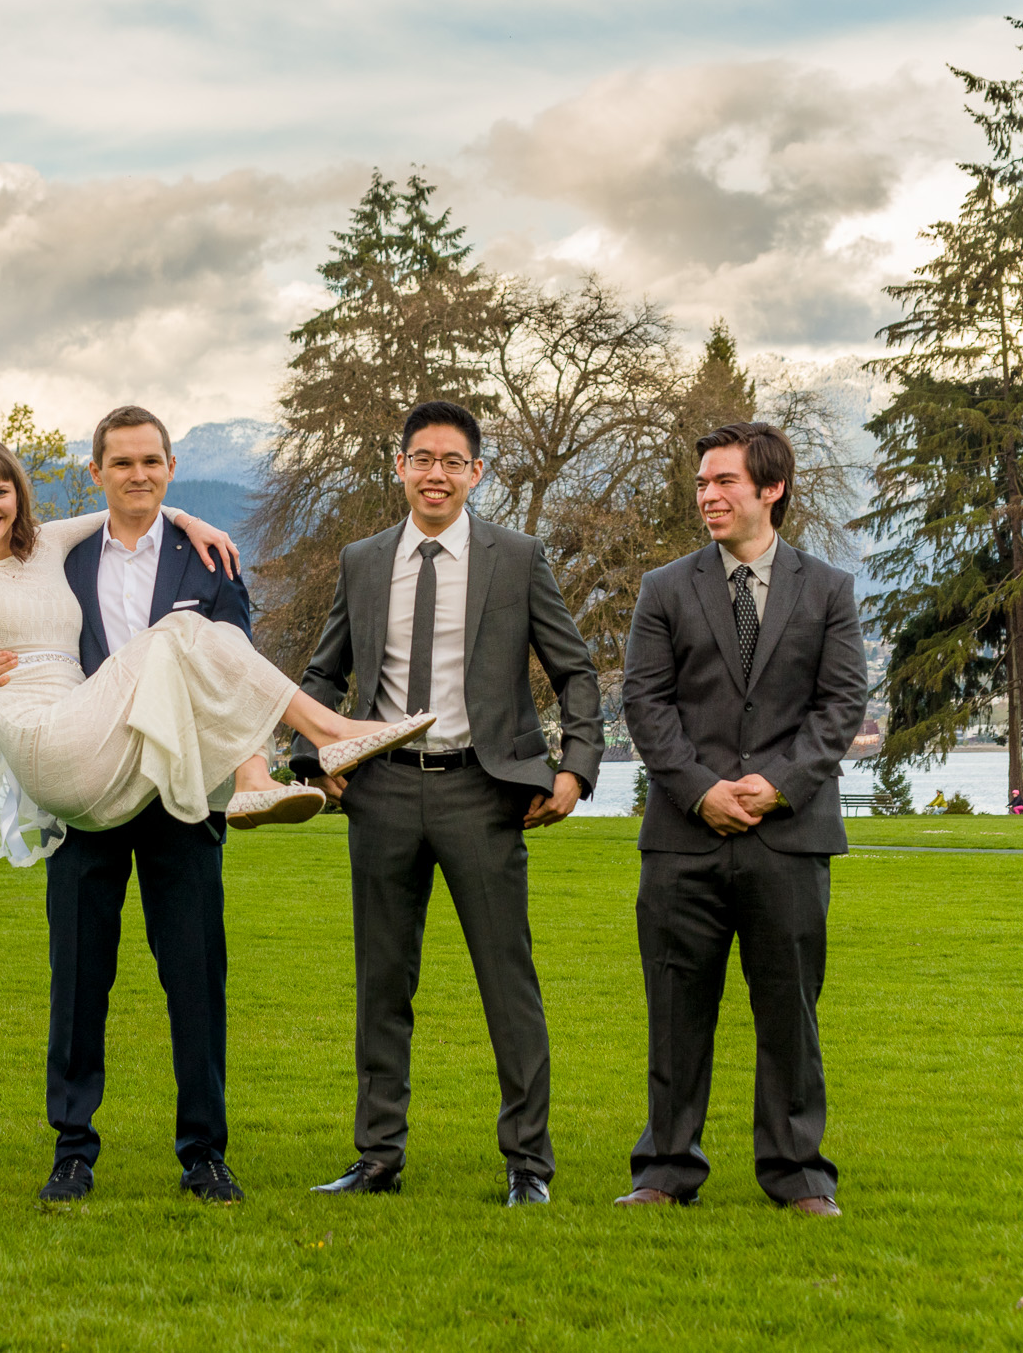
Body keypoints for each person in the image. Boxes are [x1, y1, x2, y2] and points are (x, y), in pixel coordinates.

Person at [0, 351, 431, 863]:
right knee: (183, 630)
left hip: (99, 742)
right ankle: (327, 733)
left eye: (0, 491)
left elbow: (131, 501)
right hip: (45, 742)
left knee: (195, 638)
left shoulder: (46, 547)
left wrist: (191, 520)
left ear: (18, 498)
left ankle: (257, 776)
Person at [0, 404, 275, 1204]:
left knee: (196, 977)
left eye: (152, 462)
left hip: (180, 792)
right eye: (122, 463)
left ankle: (204, 1152)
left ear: (170, 468)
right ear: (96, 472)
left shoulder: (211, 560)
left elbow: (235, 662)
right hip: (86, 794)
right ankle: (72, 1149)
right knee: (79, 978)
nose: (138, 475)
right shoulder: (53, 557)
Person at [286, 400, 603, 1207]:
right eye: (421, 458)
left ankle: (528, 1164)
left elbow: (576, 671)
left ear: (476, 473)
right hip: (382, 791)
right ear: (399, 467)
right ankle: (377, 1158)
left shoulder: (518, 557)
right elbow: (321, 676)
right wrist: (311, 755)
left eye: (452, 461)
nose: (436, 473)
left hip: (482, 791)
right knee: (382, 982)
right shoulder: (361, 560)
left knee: (509, 982)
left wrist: (575, 770)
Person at [618, 421, 866, 1217]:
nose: (708, 496)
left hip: (790, 837)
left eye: (724, 482)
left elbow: (841, 706)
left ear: (772, 488)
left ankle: (797, 1177)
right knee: (674, 1011)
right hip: (683, 838)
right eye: (701, 484)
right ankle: (663, 1171)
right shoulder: (664, 588)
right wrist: (701, 791)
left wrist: (777, 784)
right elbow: (645, 705)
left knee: (789, 1014)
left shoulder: (828, 590)